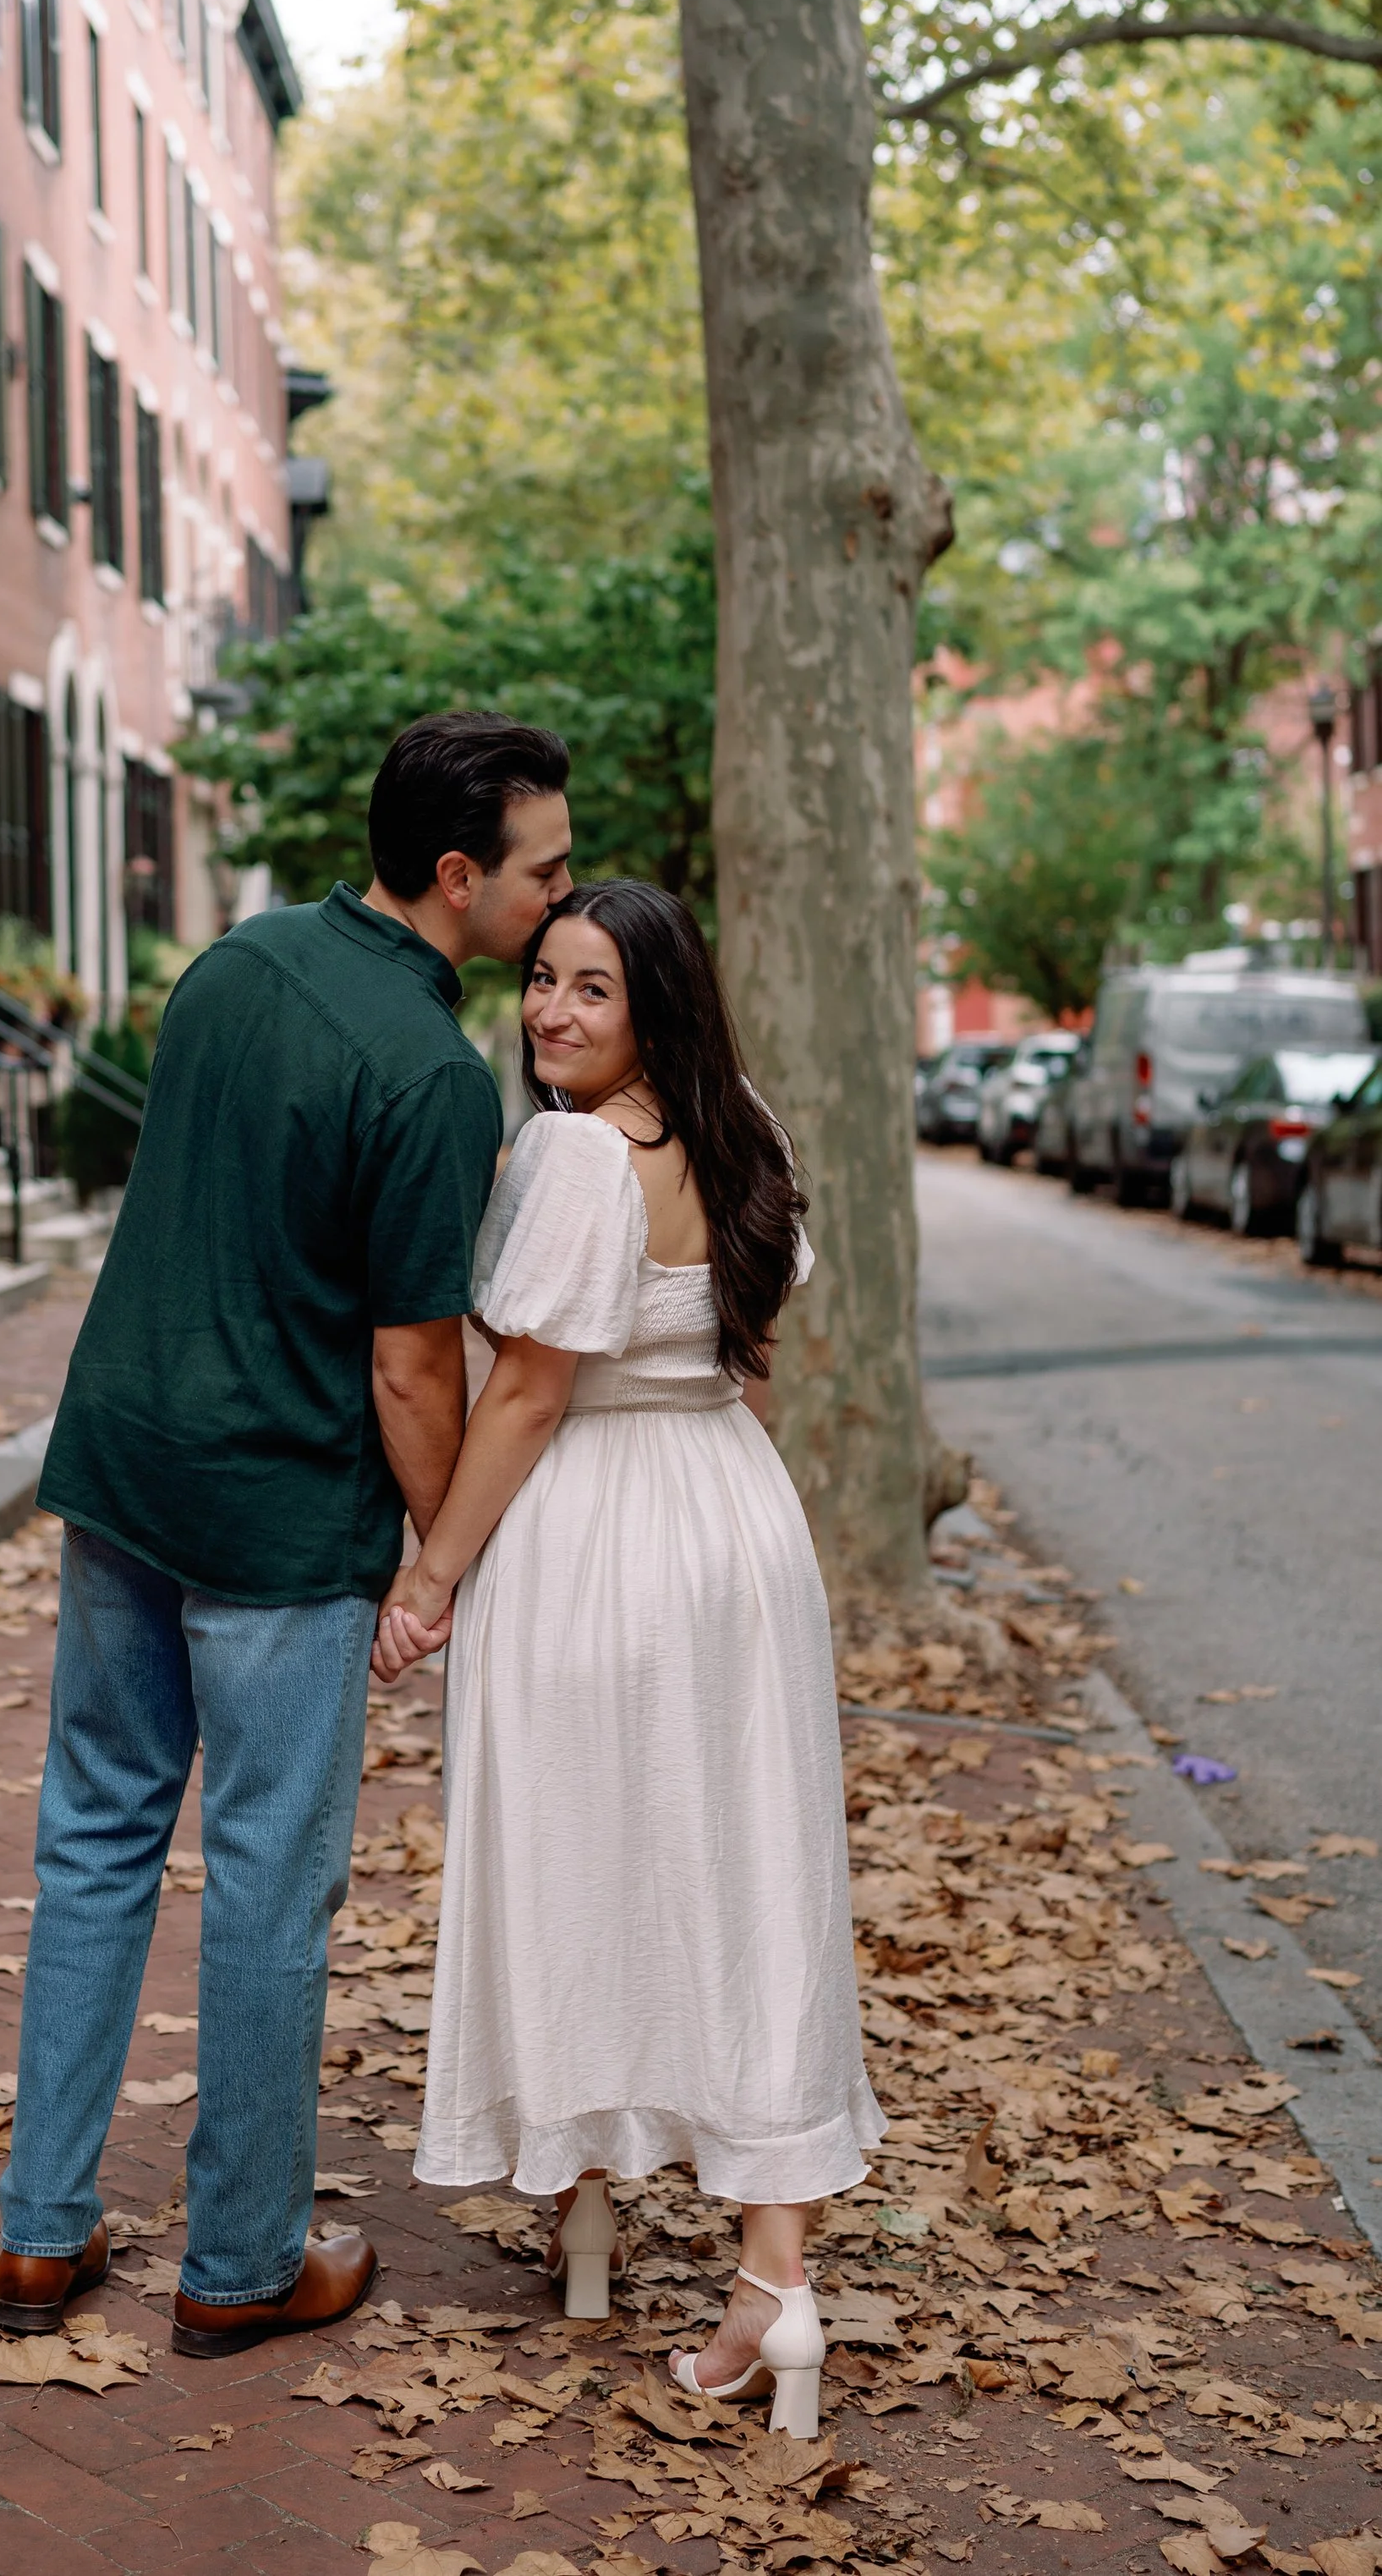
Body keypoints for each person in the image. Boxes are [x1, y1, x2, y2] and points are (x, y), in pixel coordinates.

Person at [0, 712, 574, 2358]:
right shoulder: (428, 1074)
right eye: (542, 869)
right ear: (456, 877)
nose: (559, 894)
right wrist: (442, 1542)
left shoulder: (228, 967)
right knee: (264, 1878)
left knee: (94, 1844)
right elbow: (407, 1364)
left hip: (119, 1469)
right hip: (272, 1519)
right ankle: (239, 2259)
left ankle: (39, 2234)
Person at [375, 880, 884, 2438]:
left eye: (591, 990)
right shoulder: (746, 1130)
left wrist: (430, 1573)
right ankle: (756, 2273)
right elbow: (754, 1361)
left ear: (655, 1001)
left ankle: (607, 2208)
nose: (550, 1013)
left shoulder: (575, 1155)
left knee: (585, 1857)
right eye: (541, 983)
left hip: (595, 1533)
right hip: (732, 1516)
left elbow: (527, 1398)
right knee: (742, 1872)